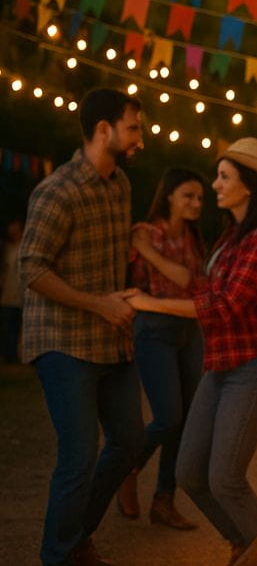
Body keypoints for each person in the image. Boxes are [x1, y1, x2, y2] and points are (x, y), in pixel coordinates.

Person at [125, 138, 257, 562]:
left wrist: (149, 302)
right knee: (189, 473)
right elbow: (203, 286)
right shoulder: (232, 237)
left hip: (254, 366)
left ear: (249, 185)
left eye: (223, 177)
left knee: (225, 479)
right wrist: (147, 258)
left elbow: (225, 307)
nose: (214, 186)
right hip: (219, 365)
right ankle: (243, 542)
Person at [19, 88, 144, 565]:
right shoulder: (57, 190)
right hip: (61, 340)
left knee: (131, 439)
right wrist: (98, 304)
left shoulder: (121, 187)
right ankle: (61, 554)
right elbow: (31, 269)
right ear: (103, 130)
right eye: (133, 128)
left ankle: (75, 535)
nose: (140, 139)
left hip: (112, 340)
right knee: (78, 454)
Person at [115, 168, 207, 530]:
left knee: (184, 420)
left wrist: (149, 255)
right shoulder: (144, 232)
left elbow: (190, 281)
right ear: (169, 195)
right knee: (168, 416)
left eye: (200, 197)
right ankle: (128, 468)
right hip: (153, 330)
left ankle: (163, 501)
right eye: (188, 195)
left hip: (188, 328)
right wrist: (145, 249)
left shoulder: (193, 237)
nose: (197, 203)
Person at [1, 219, 23, 362]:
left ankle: (14, 354)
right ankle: (9, 354)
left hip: (20, 293)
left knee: (16, 324)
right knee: (8, 324)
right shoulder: (7, 249)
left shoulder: (23, 248)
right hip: (8, 293)